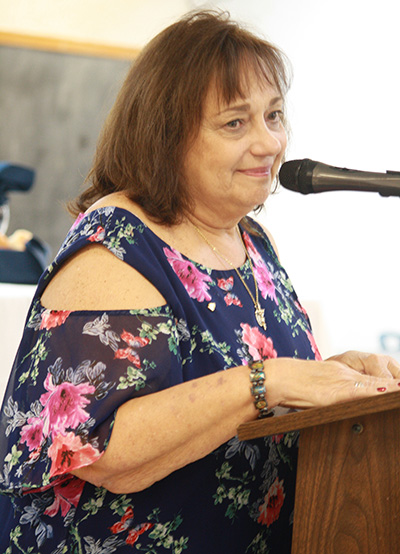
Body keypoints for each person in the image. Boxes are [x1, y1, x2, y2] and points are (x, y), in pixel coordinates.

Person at [0, 10, 399, 554]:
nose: (268, 143)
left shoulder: (255, 243)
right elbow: (101, 451)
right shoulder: (115, 249)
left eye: (274, 115)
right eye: (236, 123)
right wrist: (269, 381)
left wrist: (331, 381)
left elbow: (241, 397)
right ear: (167, 135)